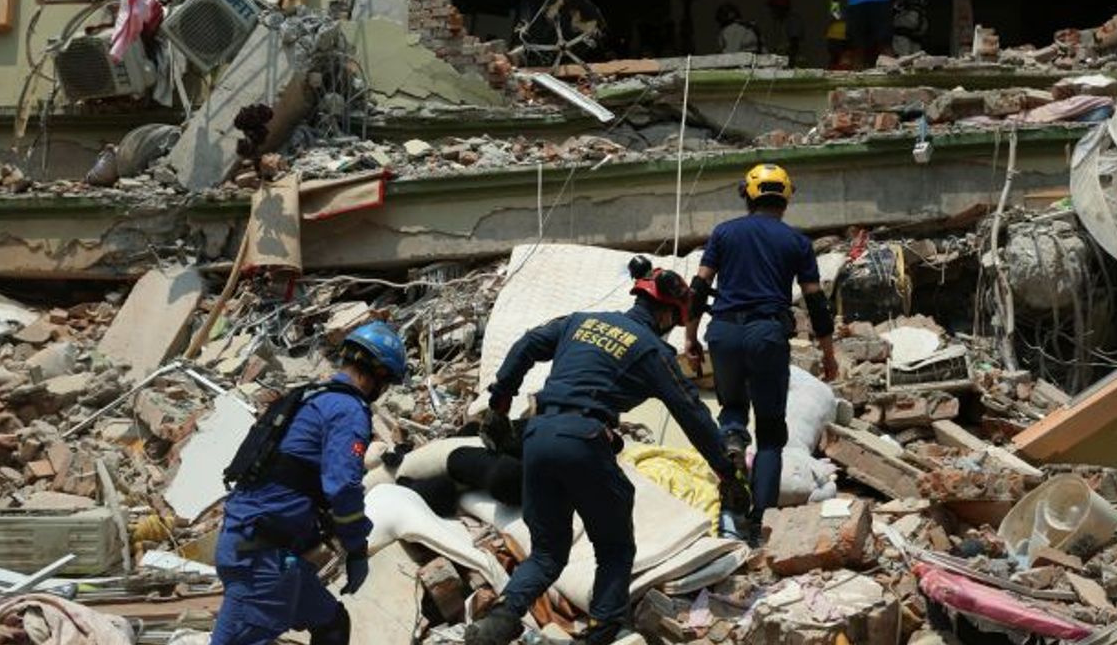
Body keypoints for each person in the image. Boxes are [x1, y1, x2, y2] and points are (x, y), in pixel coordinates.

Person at [465, 262, 751, 645]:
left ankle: (497, 622)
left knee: (547, 554)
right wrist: (728, 474)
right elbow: (692, 414)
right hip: (583, 439)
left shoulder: (580, 321)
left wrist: (500, 404)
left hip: (538, 435)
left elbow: (528, 343)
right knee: (615, 548)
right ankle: (601, 633)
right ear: (667, 314)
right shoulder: (653, 351)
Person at [210, 322, 408, 645]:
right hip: (262, 556)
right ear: (378, 375)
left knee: (331, 624)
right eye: (386, 383)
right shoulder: (348, 410)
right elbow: (342, 487)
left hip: (259, 543)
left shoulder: (310, 397)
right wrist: (356, 547)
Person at [684, 164, 838, 542]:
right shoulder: (797, 242)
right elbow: (817, 303)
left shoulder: (724, 233)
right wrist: (828, 353)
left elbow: (699, 288)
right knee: (770, 433)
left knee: (733, 409)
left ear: (748, 195)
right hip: (767, 335)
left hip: (723, 332)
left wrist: (690, 337)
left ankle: (733, 443)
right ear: (785, 198)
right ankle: (759, 521)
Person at [765, 0, 804, 67]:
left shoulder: (793, 20)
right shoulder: (780, 22)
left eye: (774, 8)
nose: (772, 11)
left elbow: (794, 44)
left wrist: (790, 62)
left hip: (794, 63)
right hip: (783, 61)